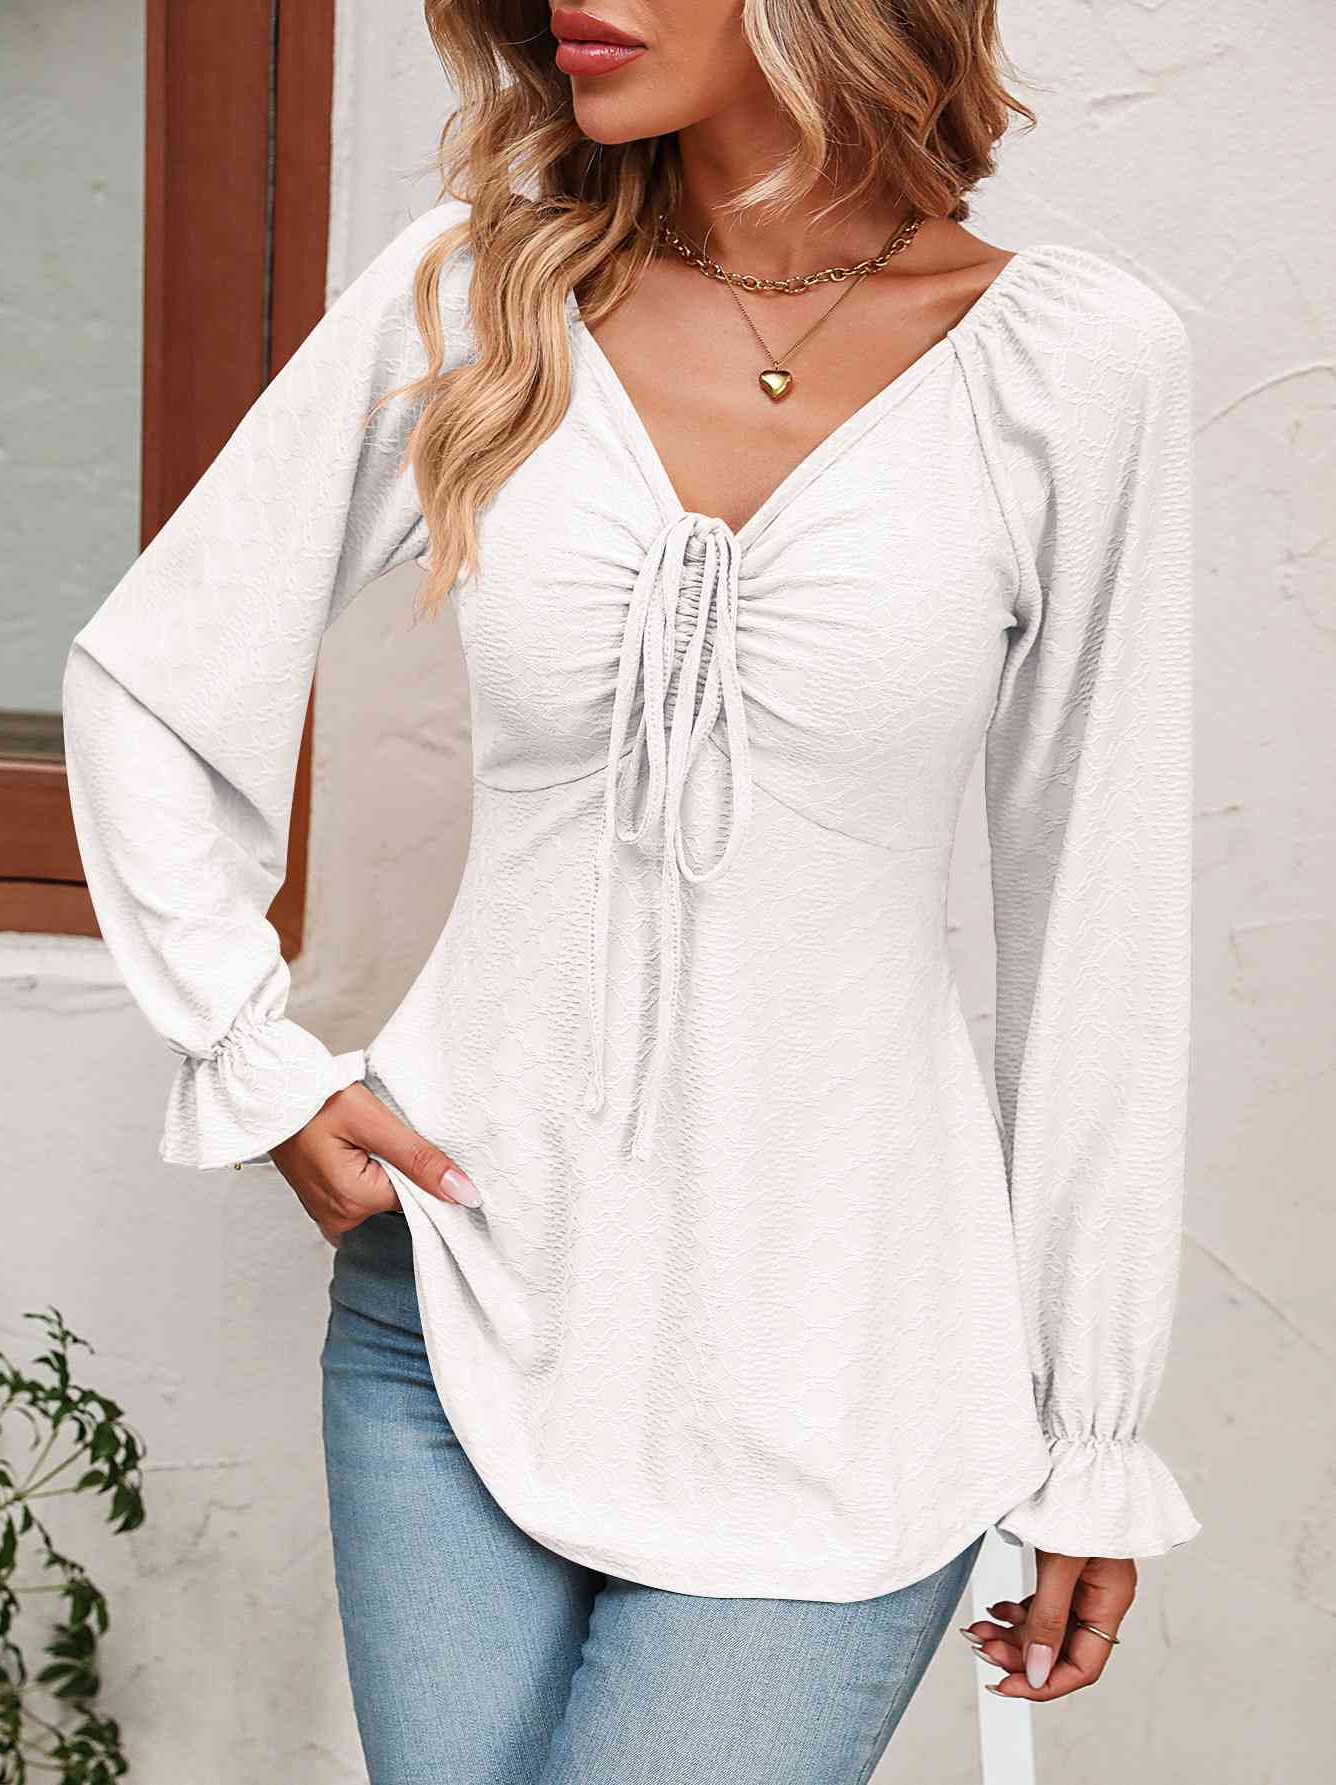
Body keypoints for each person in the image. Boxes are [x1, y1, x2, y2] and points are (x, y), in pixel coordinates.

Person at [61, 2, 1202, 1779]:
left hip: (848, 1361)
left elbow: (1099, 928)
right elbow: (155, 674)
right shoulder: (479, 296)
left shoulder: (1071, 362)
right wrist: (254, 1053)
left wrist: (1092, 1425)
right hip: (458, 1312)